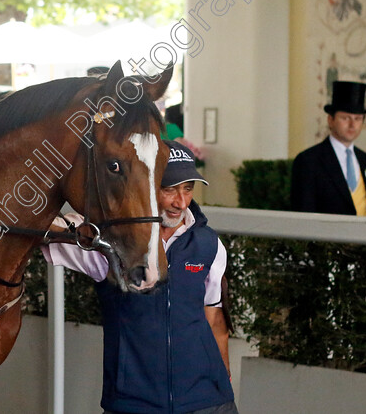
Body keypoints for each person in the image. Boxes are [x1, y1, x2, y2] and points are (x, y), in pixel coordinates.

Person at [43, 140, 236, 414]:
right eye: (169, 189)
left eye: (188, 189)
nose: (180, 202)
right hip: (133, 402)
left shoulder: (208, 244)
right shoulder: (108, 242)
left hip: (209, 401)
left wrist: (223, 381)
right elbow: (36, 227)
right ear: (145, 186)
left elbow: (214, 318)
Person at [291, 80, 366, 216]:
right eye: (345, 118)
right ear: (330, 120)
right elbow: (303, 214)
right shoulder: (308, 160)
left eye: (358, 119)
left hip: (364, 236)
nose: (352, 125)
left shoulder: (363, 158)